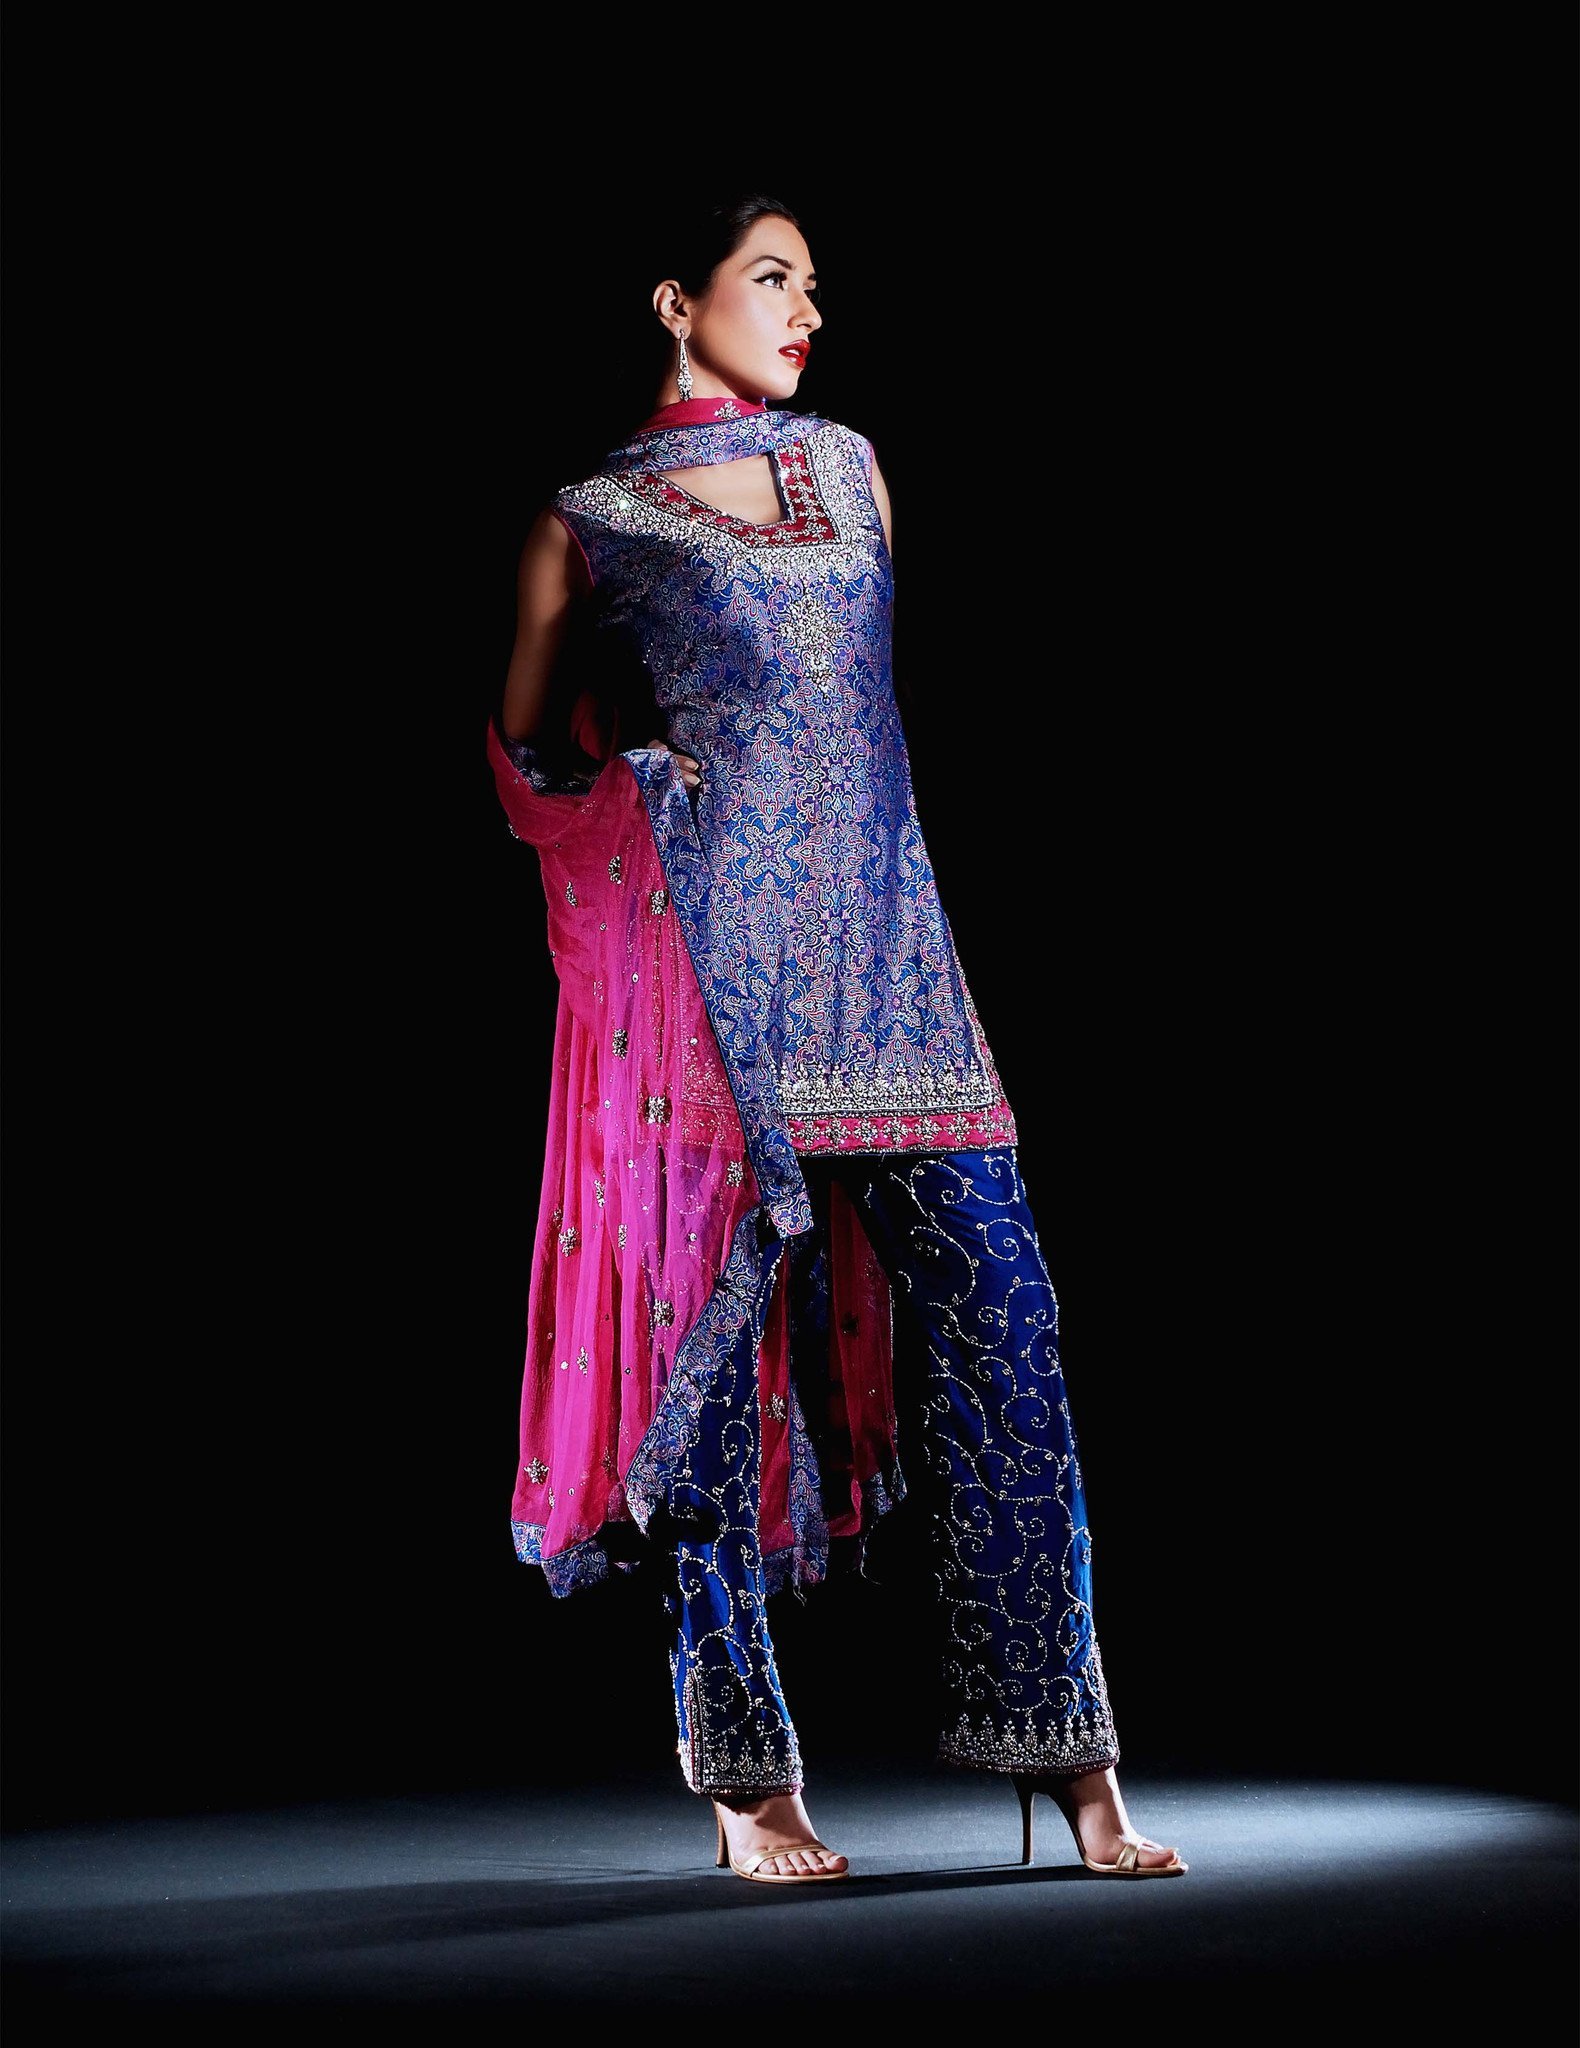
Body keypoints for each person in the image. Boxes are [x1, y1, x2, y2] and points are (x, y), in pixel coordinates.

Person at [488, 193, 1187, 1885]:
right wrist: (640, 783)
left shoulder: (857, 470)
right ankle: (748, 1783)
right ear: (679, 299)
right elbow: (529, 756)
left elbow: (863, 715)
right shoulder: (593, 520)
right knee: (715, 1382)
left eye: (812, 284)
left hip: (896, 969)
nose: (807, 310)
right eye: (773, 279)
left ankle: (1068, 1750)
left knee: (1011, 1331)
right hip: (721, 987)